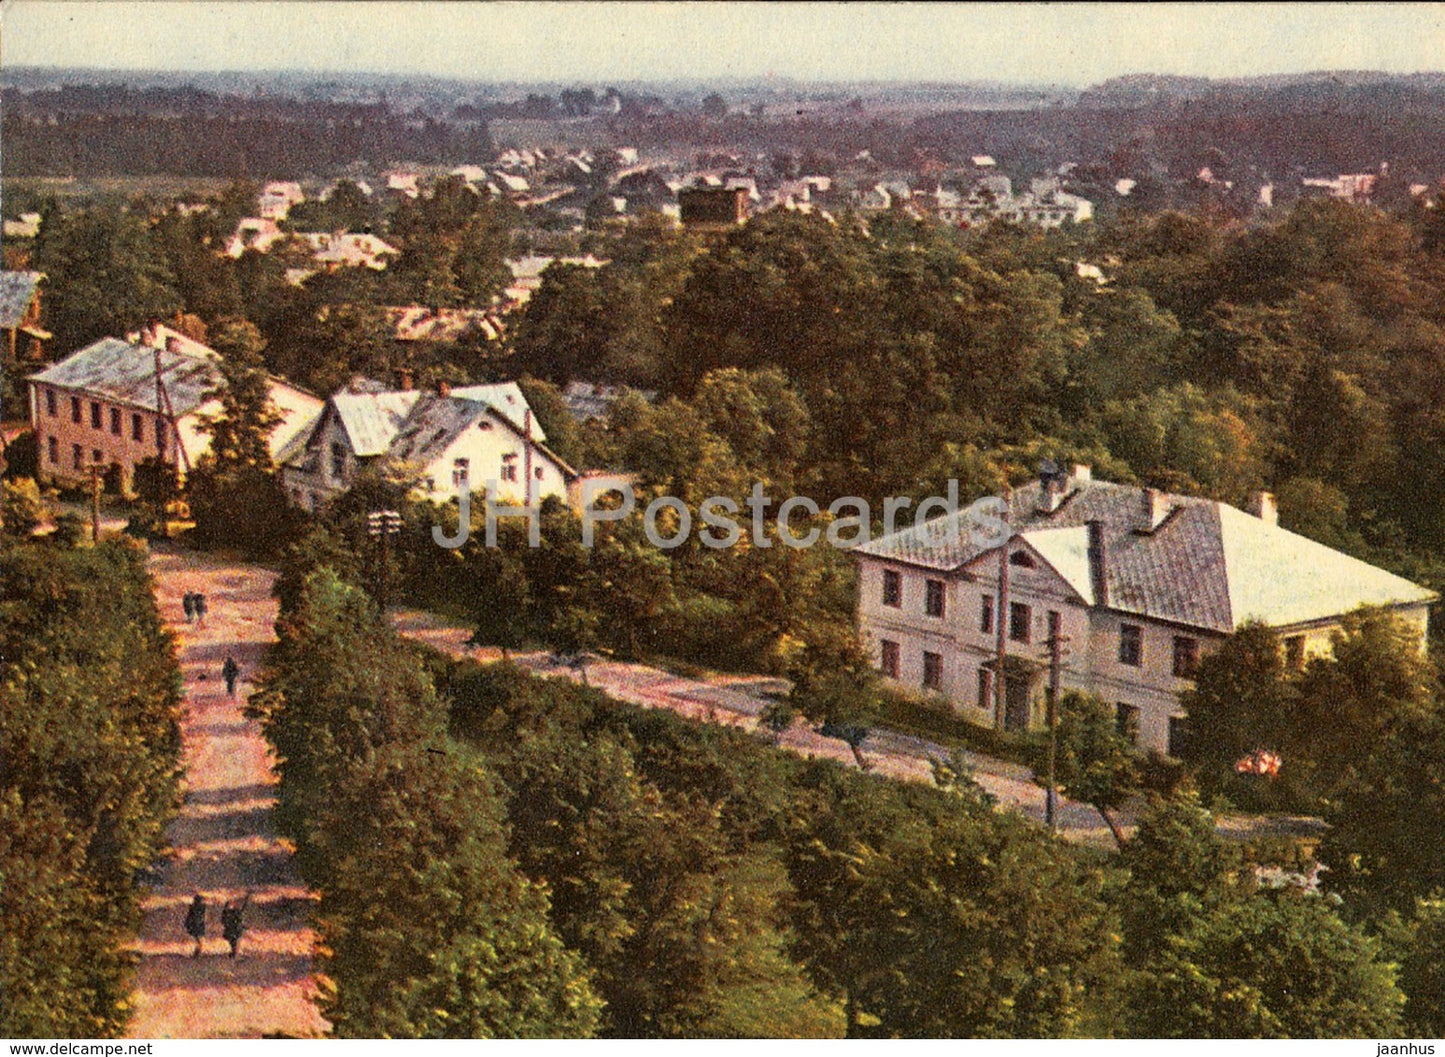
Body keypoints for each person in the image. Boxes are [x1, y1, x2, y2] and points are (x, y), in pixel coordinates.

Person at [221, 894, 248, 959]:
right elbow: (242, 911)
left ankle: (234, 955)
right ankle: (234, 955)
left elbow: (224, 917)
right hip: (234, 931)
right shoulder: (234, 914)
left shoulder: (231, 914)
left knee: (234, 943)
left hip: (232, 931)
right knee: (234, 943)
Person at [184, 893, 207, 957]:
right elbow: (202, 917)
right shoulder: (202, 907)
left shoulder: (194, 907)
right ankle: (197, 953)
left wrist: (187, 923)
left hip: (196, 924)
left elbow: (190, 916)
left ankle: (196, 953)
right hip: (198, 924)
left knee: (199, 940)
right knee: (200, 941)